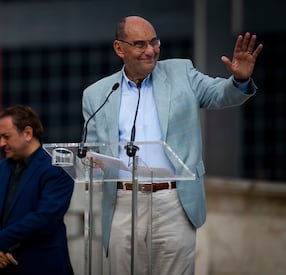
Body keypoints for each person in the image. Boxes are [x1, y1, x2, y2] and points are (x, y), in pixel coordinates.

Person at [81, 15, 263, 275]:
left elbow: (218, 95)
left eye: (154, 42)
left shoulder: (181, 72)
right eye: (140, 44)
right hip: (122, 202)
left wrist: (239, 81)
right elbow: (93, 152)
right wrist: (90, 162)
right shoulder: (97, 94)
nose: (150, 50)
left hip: (173, 200)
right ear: (119, 48)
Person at [0, 105, 75, 274]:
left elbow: (44, 218)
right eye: (0, 137)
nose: (1, 143)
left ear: (28, 133)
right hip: (1, 265)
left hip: (40, 265)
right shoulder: (1, 167)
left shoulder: (59, 164)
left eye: (6, 137)